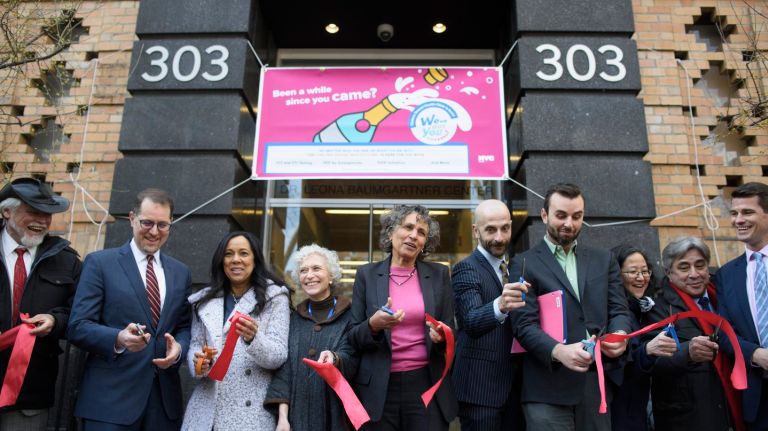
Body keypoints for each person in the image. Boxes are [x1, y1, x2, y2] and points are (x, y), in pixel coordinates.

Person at [511, 183, 632, 431]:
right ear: (544, 215)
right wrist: (558, 351)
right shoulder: (523, 264)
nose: (569, 223)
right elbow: (523, 325)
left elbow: (619, 309)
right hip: (546, 387)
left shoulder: (604, 259)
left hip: (595, 382)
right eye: (561, 215)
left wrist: (620, 334)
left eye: (577, 216)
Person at [68, 188, 192, 430]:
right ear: (132, 218)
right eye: (147, 223)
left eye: (162, 225)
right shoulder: (100, 263)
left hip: (163, 406)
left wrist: (178, 349)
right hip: (110, 403)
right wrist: (118, 338)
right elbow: (78, 326)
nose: (154, 232)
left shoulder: (181, 272)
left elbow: (184, 327)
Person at [348, 204, 457, 430]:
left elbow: (451, 332)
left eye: (421, 232)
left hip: (426, 384)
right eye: (408, 227)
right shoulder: (366, 275)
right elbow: (352, 336)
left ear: (425, 243)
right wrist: (373, 325)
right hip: (379, 387)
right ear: (391, 233)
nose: (414, 236)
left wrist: (442, 336)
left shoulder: (439, 274)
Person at [182, 231, 290, 431]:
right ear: (221, 260)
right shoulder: (203, 300)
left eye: (244, 253)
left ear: (255, 259)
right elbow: (195, 344)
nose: (236, 260)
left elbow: (279, 355)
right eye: (229, 254)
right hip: (205, 411)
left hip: (249, 414)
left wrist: (254, 339)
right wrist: (198, 363)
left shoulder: (275, 298)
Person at [0, 178, 82, 430]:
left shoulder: (67, 260)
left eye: (48, 214)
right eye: (34, 212)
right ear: (7, 212)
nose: (42, 221)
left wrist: (55, 321)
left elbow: (79, 313)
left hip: (30, 396)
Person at [641, 236, 738, 431]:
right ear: (669, 273)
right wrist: (687, 353)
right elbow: (653, 363)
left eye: (700, 266)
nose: (694, 274)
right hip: (689, 417)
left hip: (735, 406)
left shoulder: (726, 296)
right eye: (684, 268)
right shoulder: (658, 309)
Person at [265, 244, 358, 431]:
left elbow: (352, 358)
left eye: (316, 268)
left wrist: (335, 358)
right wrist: (282, 418)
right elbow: (284, 371)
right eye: (303, 270)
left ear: (331, 276)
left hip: (336, 417)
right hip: (296, 418)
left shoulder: (351, 316)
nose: (309, 275)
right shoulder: (293, 319)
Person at [452, 199, 527, 430]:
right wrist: (501, 305)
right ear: (476, 231)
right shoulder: (466, 268)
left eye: (505, 228)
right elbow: (471, 321)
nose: (499, 237)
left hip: (515, 388)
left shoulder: (515, 267)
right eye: (491, 230)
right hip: (480, 390)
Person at [715, 182, 768, 431]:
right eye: (734, 213)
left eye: (747, 212)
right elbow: (724, 332)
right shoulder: (726, 274)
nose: (738, 220)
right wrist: (755, 354)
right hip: (757, 400)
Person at [609, 244, 677, 431]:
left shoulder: (646, 308)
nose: (641, 278)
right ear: (615, 275)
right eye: (632, 272)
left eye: (645, 271)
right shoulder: (612, 314)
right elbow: (618, 367)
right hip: (619, 411)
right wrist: (647, 350)